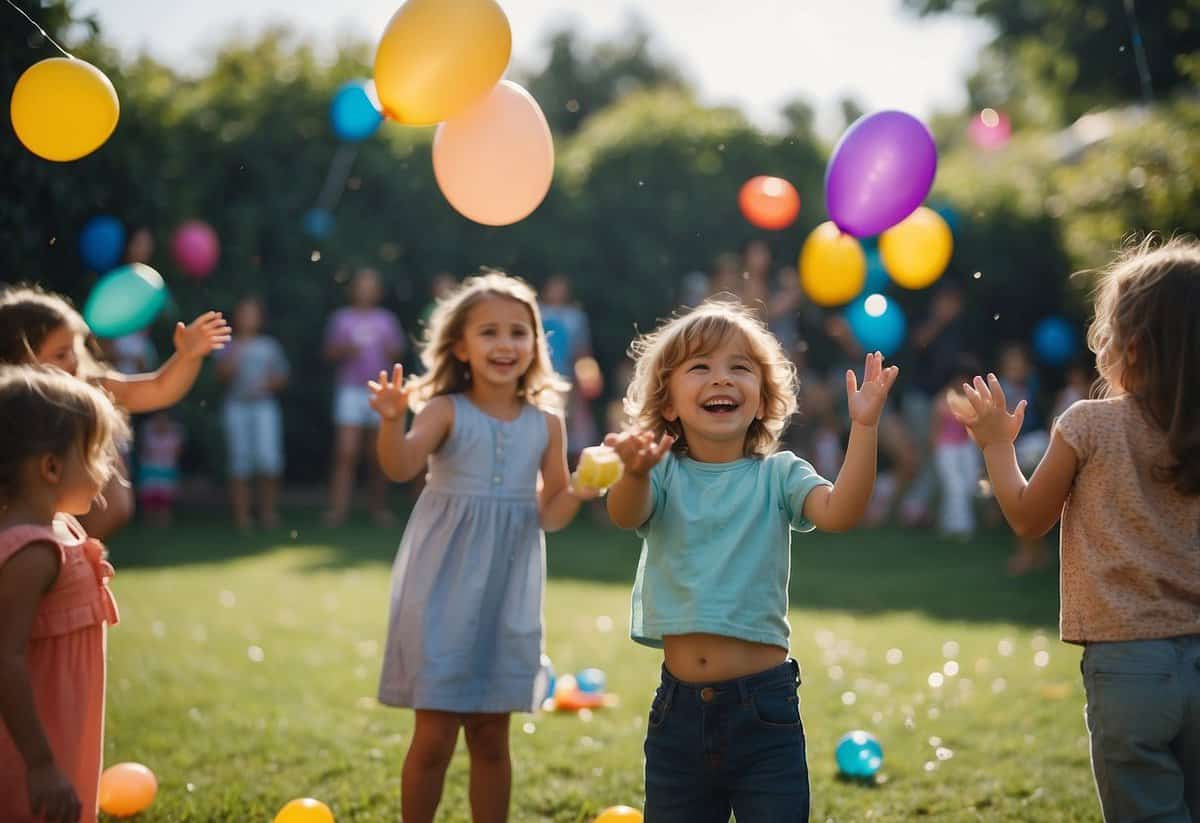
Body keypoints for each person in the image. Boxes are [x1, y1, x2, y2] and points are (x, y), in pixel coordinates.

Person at [604, 300, 898, 821]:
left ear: (763, 399)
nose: (722, 379)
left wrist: (865, 428)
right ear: (668, 403)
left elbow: (841, 512)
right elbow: (625, 515)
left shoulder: (780, 474)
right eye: (701, 367)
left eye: (739, 368)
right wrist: (630, 472)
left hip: (765, 711)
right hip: (678, 716)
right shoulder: (662, 476)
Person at [949, 238, 1200, 822]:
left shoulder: (1088, 424)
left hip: (1129, 669)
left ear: (1130, 347)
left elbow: (1028, 517)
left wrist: (995, 446)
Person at [367, 271, 599, 823]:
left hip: (508, 591)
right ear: (460, 346)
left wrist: (583, 489)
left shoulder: (547, 423)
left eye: (519, 332)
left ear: (536, 345)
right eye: (489, 331)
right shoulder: (444, 411)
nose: (505, 344)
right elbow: (400, 466)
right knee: (435, 734)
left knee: (493, 736)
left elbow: (550, 511)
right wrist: (392, 421)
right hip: (442, 588)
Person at [0, 365, 130, 823]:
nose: (105, 467)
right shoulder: (31, 551)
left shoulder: (59, 529)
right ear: (51, 467)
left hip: (63, 724)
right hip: (31, 741)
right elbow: (5, 658)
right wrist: (38, 762)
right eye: (95, 452)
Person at [0, 286, 230, 539]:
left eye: (75, 350)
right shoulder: (11, 413)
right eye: (60, 354)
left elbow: (158, 388)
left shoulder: (89, 385)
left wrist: (187, 356)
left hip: (71, 538)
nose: (74, 361)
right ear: (19, 361)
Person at [322, 268, 406, 526]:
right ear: (354, 289)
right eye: (361, 285)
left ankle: (378, 510)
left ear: (377, 291)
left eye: (371, 286)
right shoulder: (341, 319)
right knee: (345, 452)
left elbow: (398, 353)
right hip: (349, 390)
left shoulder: (386, 320)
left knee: (378, 454)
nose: (365, 290)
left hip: (378, 393)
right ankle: (337, 510)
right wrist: (346, 349)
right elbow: (329, 353)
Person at [216, 297, 290, 531]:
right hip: (236, 407)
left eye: (253, 313)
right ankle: (242, 517)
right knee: (239, 462)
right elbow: (221, 377)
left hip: (264, 406)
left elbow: (282, 376)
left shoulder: (269, 345)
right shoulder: (227, 344)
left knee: (269, 460)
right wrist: (234, 356)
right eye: (244, 313)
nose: (248, 318)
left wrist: (271, 384)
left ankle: (268, 514)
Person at [539, 274, 599, 463]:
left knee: (571, 423)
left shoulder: (575, 317)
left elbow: (582, 350)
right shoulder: (538, 312)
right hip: (542, 377)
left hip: (568, 377)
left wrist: (586, 377)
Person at [932, 358, 982, 539]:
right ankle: (963, 528)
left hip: (966, 447)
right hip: (946, 448)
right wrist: (935, 451)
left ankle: (947, 522)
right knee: (955, 486)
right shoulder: (943, 399)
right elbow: (935, 428)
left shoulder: (974, 400)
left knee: (968, 485)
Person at [135, 412, 184, 527]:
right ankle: (149, 524)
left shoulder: (175, 433)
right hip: (150, 470)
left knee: (164, 500)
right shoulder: (147, 432)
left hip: (167, 470)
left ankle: (163, 524)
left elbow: (178, 451)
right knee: (149, 500)